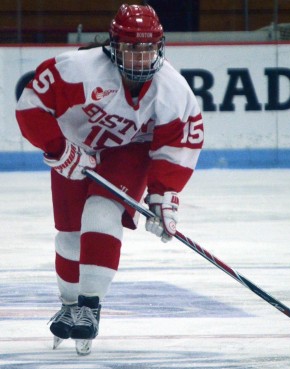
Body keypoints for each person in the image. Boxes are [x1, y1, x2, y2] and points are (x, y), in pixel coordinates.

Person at [15, 3, 204, 355]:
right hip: (74, 146)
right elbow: (30, 104)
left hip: (128, 153)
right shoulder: (77, 68)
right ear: (114, 45)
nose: (141, 57)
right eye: (133, 47)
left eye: (148, 48)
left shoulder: (172, 90)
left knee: (101, 212)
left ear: (159, 47)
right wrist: (58, 148)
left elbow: (180, 141)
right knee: (69, 237)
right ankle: (69, 304)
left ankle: (90, 306)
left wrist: (164, 194)